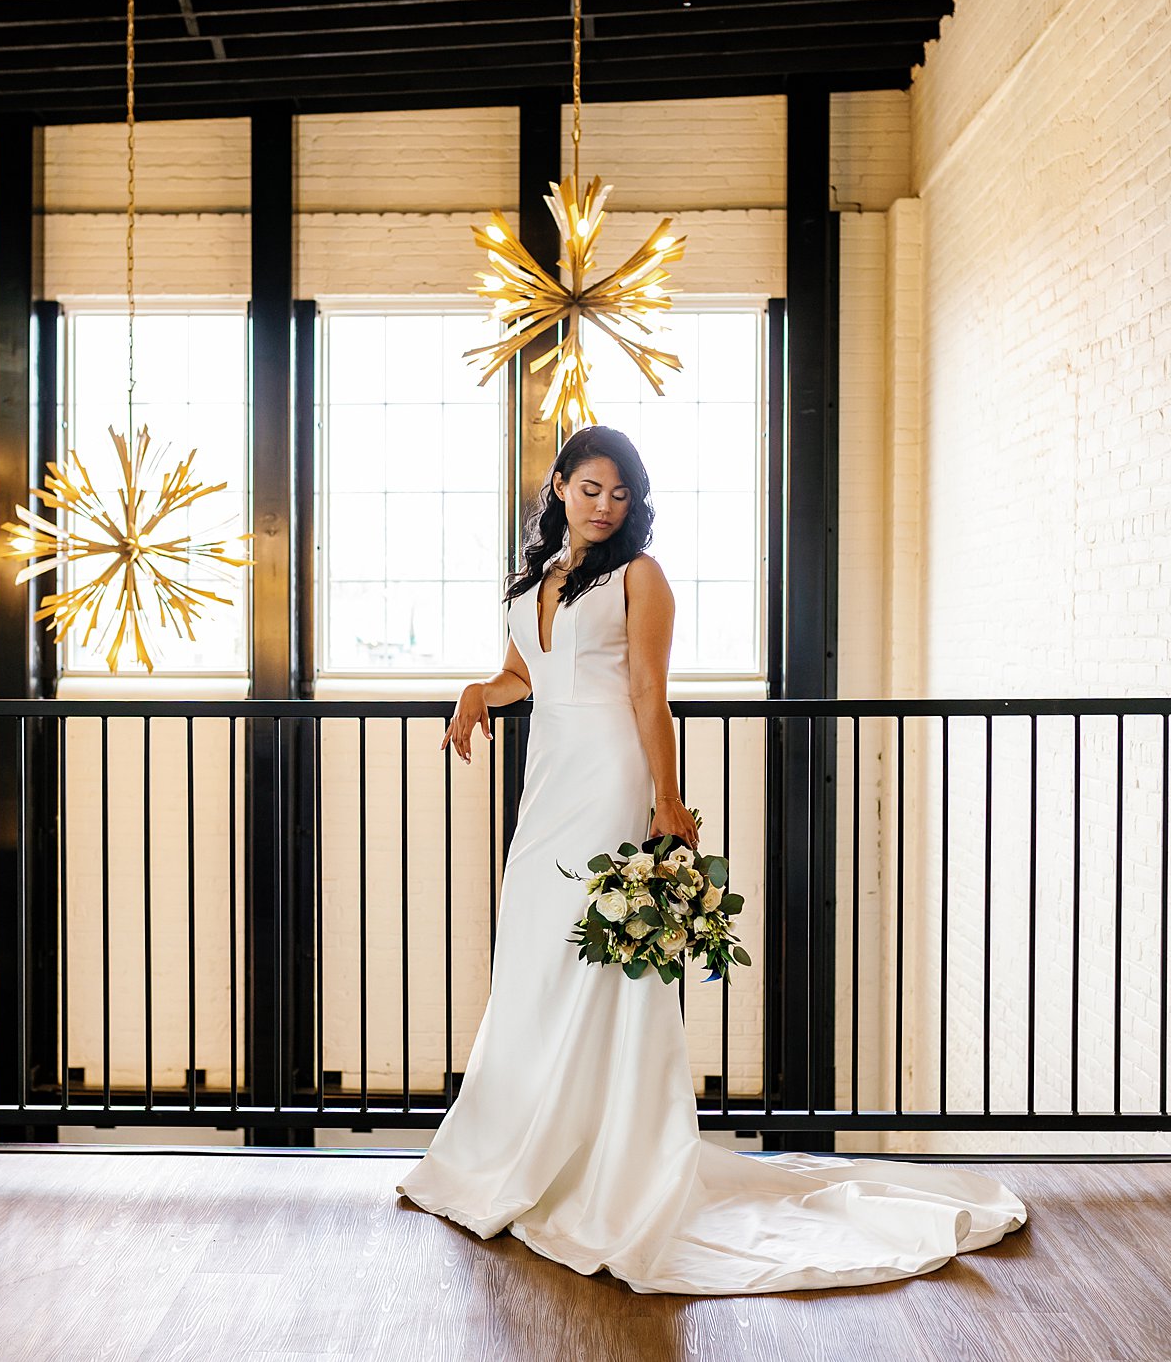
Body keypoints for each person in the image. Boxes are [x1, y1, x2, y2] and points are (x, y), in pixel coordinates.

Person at [394, 424, 1028, 1293]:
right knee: (535, 957)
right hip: (547, 783)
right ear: (559, 488)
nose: (606, 505)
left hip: (611, 773)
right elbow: (521, 673)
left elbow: (650, 691)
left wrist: (666, 797)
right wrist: (474, 693)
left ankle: (606, 1158)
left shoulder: (640, 577)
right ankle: (521, 1139)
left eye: (620, 493)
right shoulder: (538, 578)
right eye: (590, 489)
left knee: (596, 959)